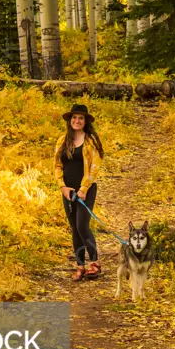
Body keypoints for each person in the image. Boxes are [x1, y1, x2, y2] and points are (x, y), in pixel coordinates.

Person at [54, 103, 104, 281]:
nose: (77, 120)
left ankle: (95, 263)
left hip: (86, 191)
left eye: (80, 118)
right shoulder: (62, 141)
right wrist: (62, 187)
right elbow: (57, 166)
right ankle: (80, 265)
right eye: (74, 117)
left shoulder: (91, 141)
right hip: (67, 191)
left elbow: (94, 168)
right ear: (70, 120)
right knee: (74, 228)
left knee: (83, 225)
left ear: (85, 121)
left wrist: (83, 189)